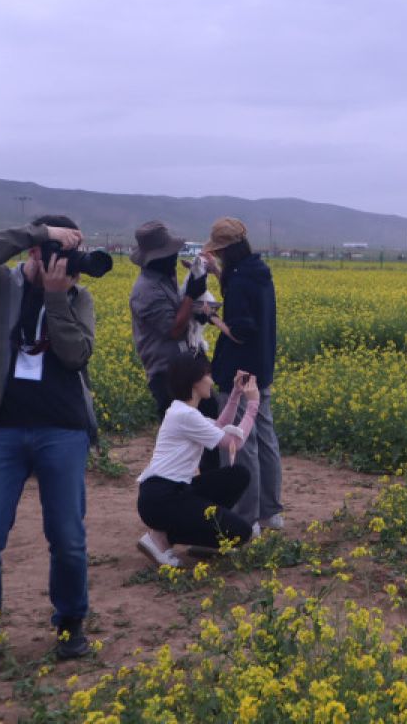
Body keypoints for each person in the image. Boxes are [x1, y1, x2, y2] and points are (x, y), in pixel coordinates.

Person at [0, 216, 100, 679]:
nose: (65, 262)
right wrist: (39, 235)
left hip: (63, 428)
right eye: (56, 250)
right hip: (2, 429)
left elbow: (76, 356)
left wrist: (56, 297)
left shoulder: (79, 297)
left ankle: (70, 622)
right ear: (35, 251)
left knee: (68, 539)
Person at [135, 352, 259, 566]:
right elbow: (234, 444)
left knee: (237, 475)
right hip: (162, 498)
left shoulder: (184, 412)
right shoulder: (185, 415)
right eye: (208, 375)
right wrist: (253, 404)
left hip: (168, 492)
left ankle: (206, 541)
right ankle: (161, 539)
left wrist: (236, 395)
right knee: (242, 532)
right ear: (194, 381)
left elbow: (219, 426)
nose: (212, 381)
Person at [203, 217, 283, 532]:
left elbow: (240, 330)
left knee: (239, 442)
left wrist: (212, 319)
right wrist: (218, 274)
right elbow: (245, 297)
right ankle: (271, 511)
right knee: (265, 438)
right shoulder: (258, 273)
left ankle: (246, 518)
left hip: (238, 373)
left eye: (220, 253)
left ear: (227, 250)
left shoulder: (238, 281)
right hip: (261, 367)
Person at [129, 221, 209, 417]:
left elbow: (180, 312)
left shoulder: (165, 278)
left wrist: (198, 311)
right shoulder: (147, 290)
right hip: (168, 375)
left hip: (186, 366)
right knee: (180, 441)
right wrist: (191, 294)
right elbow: (174, 330)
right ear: (155, 259)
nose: (175, 257)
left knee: (208, 428)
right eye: (170, 254)